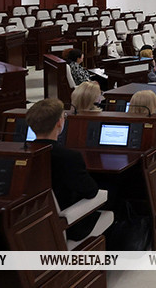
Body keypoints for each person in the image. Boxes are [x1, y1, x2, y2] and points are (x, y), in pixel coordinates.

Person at [28, 98, 101, 241]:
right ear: (59, 123)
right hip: (70, 225)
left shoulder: (21, 154)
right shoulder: (69, 157)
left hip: (36, 224)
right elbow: (91, 191)